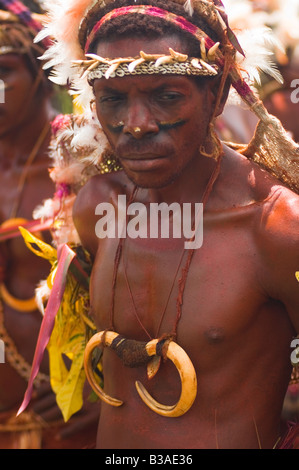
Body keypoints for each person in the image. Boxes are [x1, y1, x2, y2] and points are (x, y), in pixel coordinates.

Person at [19, 0, 299, 449]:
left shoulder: (275, 229)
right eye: (112, 98)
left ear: (217, 95)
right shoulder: (97, 207)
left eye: (166, 95)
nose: (136, 125)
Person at [0, 0, 97, 449]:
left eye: (4, 72)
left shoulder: (91, 159)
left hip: (72, 419)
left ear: (40, 71)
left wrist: (97, 388)